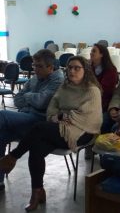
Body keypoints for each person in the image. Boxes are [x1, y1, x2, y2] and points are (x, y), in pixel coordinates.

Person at [0, 56, 102, 211]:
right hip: (60, 128)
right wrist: (60, 116)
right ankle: (37, 192)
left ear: (85, 70)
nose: (72, 71)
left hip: (83, 132)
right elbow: (52, 109)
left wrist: (62, 116)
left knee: (40, 128)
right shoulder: (64, 87)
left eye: (77, 68)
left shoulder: (92, 90)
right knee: (37, 147)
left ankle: (12, 157)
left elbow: (88, 116)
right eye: (69, 68)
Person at [0, 49, 64, 190]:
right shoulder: (35, 78)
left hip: (40, 122)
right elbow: (17, 100)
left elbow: (41, 103)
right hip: (26, 117)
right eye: (34, 65)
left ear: (50, 67)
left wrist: (28, 96)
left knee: (2, 116)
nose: (35, 69)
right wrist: (32, 97)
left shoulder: (58, 80)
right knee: (1, 134)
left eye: (39, 66)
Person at [90, 44, 118, 113]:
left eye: (94, 51)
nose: (91, 53)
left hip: (103, 104)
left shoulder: (111, 70)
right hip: (90, 100)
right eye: (91, 51)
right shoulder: (90, 67)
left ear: (101, 55)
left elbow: (102, 91)